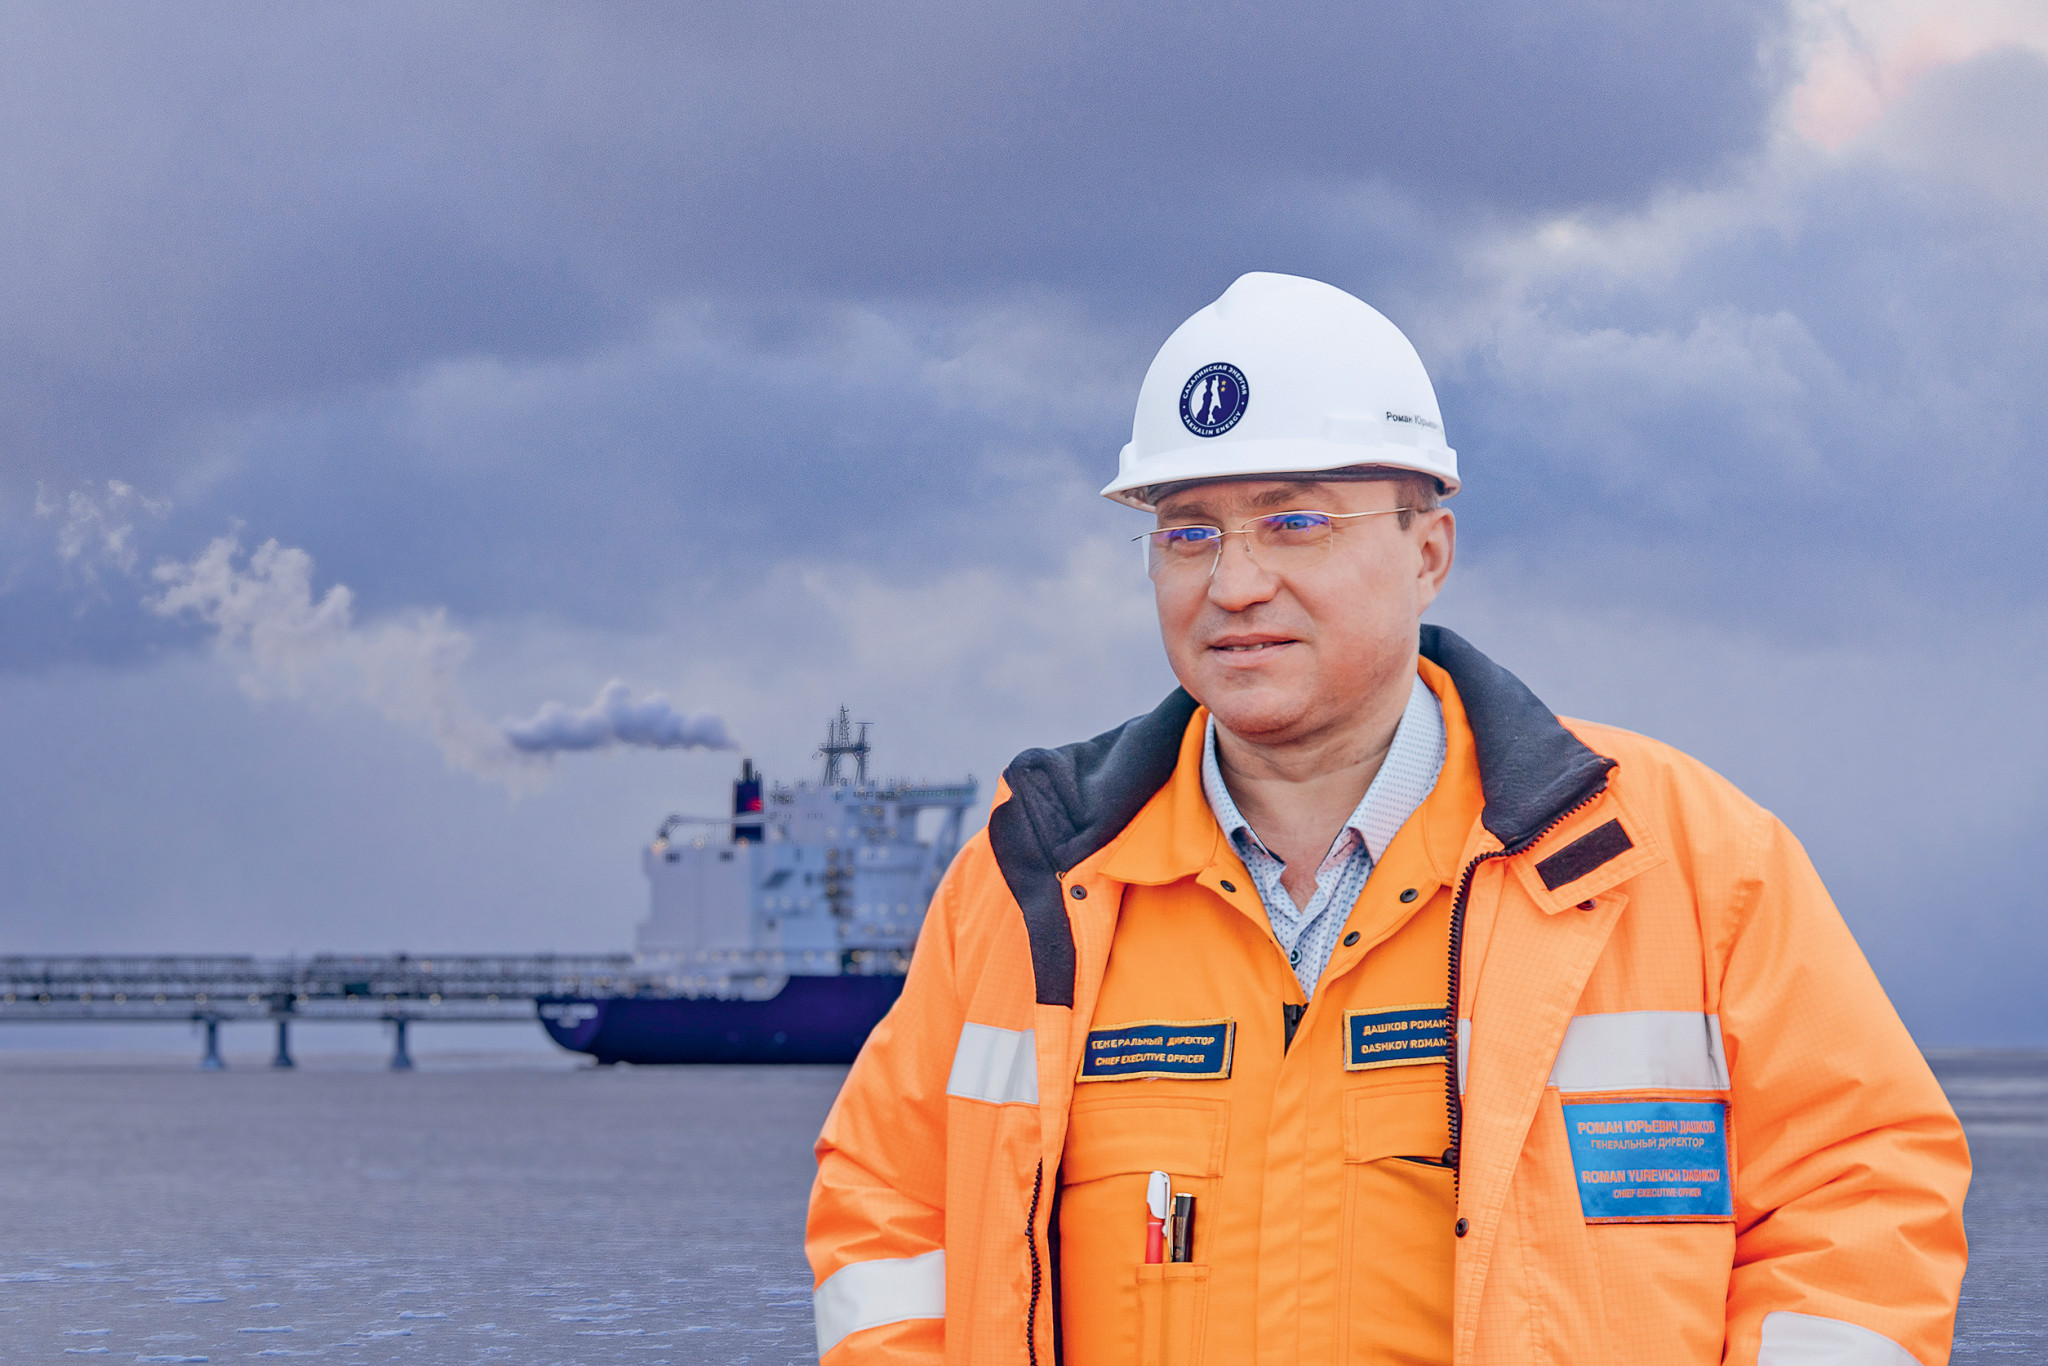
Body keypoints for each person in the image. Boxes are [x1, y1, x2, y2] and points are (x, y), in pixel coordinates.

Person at [805, 272, 1970, 1365]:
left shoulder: (1681, 860)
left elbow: (1859, 1194)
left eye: (1295, 523)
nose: (1233, 583)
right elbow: (888, 1209)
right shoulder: (1031, 881)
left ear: (1428, 552)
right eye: (1188, 530)